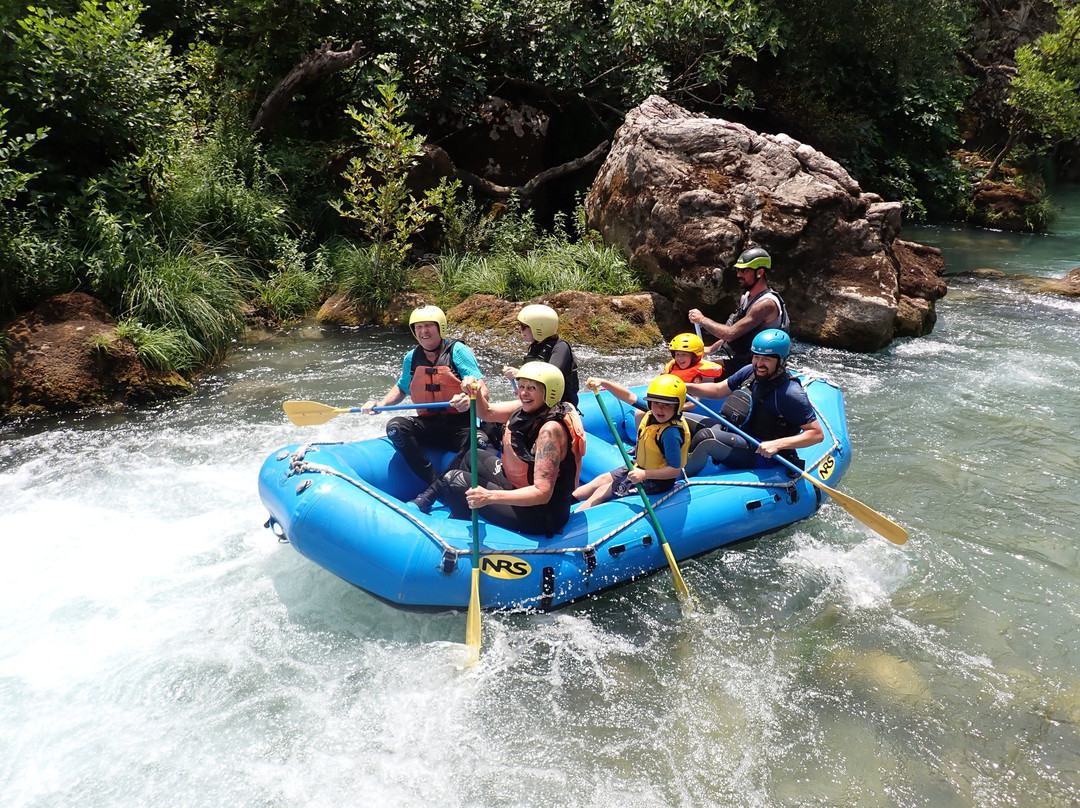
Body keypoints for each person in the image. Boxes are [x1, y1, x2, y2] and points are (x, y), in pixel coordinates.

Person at [411, 362, 587, 537]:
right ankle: (461, 510)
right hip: (521, 487)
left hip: (541, 513)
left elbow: (542, 494)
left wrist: (489, 496)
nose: (523, 393)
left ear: (550, 392)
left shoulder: (550, 432)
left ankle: (458, 536)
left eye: (532, 388)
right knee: (473, 455)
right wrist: (476, 392)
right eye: (521, 386)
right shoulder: (528, 408)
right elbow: (486, 412)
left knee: (453, 480)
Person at [361, 305, 483, 486]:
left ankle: (435, 490)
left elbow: (481, 387)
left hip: (460, 427)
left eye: (428, 326)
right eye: (418, 327)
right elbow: (402, 388)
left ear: (440, 327)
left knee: (479, 441)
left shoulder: (457, 351)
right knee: (395, 426)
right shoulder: (412, 357)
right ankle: (434, 482)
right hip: (430, 425)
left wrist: (469, 398)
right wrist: (380, 404)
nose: (423, 331)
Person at [683, 329, 823, 476]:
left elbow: (816, 434)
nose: (759, 364)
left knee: (706, 438)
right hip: (735, 432)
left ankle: (677, 480)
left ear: (781, 360)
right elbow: (718, 390)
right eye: (756, 357)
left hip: (758, 451)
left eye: (767, 359)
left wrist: (777, 444)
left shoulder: (790, 393)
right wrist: (685, 386)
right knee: (682, 418)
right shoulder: (750, 371)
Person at [573, 374, 690, 511]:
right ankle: (567, 502)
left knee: (603, 490)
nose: (660, 409)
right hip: (640, 467)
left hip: (656, 480)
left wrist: (645, 475)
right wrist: (604, 382)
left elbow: (674, 471)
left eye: (667, 405)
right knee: (601, 480)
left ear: (677, 407)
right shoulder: (653, 414)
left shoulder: (670, 433)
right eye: (656, 403)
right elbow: (628, 396)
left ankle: (572, 520)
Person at [688, 246, 790, 376]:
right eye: (737, 270)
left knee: (694, 373)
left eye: (744, 271)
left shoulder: (766, 304)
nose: (738, 275)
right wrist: (710, 349)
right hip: (744, 360)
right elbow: (739, 331)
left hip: (759, 366)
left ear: (759, 273)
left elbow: (730, 334)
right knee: (685, 365)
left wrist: (701, 319)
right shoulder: (747, 297)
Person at [502, 304, 580, 406]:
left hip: (558, 406)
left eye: (523, 326)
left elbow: (551, 376)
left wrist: (520, 373)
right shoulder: (535, 346)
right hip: (536, 404)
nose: (520, 330)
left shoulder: (561, 347)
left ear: (538, 328)